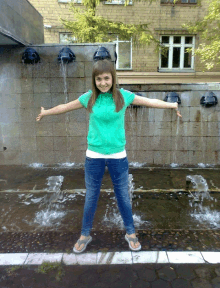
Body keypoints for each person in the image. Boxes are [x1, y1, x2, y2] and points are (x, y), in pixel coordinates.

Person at [36, 59, 182, 254]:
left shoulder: (123, 96)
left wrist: (172, 105)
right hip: (93, 156)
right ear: (94, 80)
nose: (103, 83)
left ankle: (130, 232)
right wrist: (46, 112)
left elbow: (150, 102)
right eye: (98, 79)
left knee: (122, 195)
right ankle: (84, 234)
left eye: (106, 78)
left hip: (118, 156)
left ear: (113, 78)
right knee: (91, 197)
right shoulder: (89, 98)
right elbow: (65, 106)